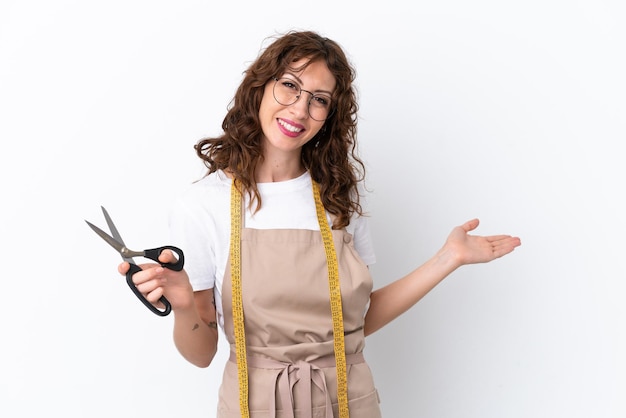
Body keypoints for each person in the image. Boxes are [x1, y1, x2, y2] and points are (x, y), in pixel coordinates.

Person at [119, 30, 521, 418]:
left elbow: (356, 321)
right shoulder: (202, 205)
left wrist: (447, 258)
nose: (299, 109)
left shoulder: (338, 197)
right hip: (253, 405)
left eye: (319, 99)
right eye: (290, 85)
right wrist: (184, 306)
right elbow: (201, 354)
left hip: (350, 403)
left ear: (329, 116)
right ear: (259, 87)